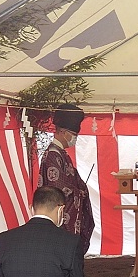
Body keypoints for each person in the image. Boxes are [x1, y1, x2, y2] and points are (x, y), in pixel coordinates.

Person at [38, 103, 95, 255]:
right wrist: (79, 192)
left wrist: (80, 189)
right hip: (59, 219)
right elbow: (58, 188)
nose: (75, 138)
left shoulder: (60, 153)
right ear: (62, 131)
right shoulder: (53, 155)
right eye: (73, 134)